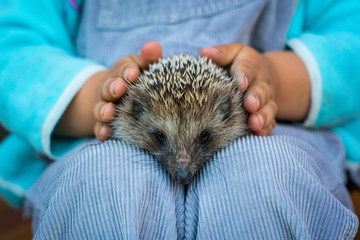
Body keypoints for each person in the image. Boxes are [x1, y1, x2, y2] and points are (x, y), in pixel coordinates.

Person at [0, 0, 360, 238]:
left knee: (268, 175)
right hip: (94, 143)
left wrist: (277, 80)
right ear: (136, 115)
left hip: (279, 131)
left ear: (225, 112)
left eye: (201, 139)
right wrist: (97, 95)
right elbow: (12, 48)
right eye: (161, 137)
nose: (183, 165)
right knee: (104, 185)